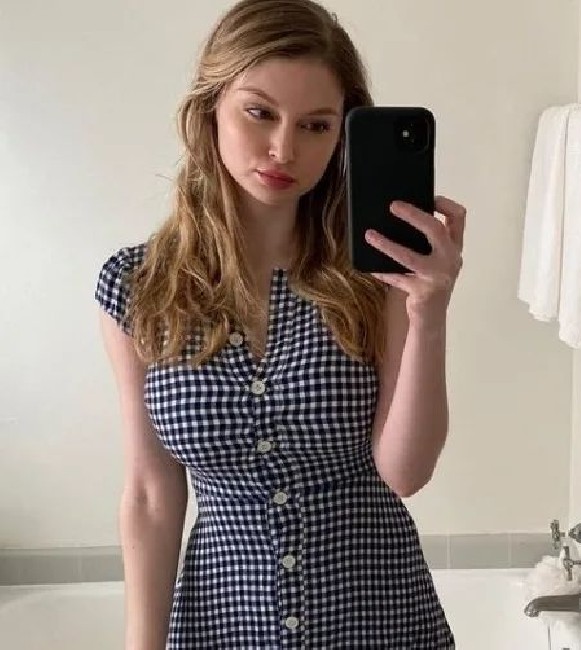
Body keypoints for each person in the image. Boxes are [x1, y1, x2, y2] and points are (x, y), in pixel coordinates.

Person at [95, 0, 465, 647]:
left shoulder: (377, 275)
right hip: (222, 624)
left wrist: (428, 313)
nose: (283, 149)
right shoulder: (138, 286)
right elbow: (152, 494)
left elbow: (404, 473)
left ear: (342, 136)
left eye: (316, 125)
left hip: (376, 621)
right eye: (259, 113)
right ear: (210, 107)